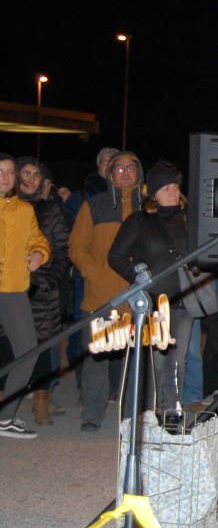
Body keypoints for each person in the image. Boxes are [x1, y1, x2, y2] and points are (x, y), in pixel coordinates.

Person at [107, 161, 195, 416]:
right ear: (153, 193)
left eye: (175, 186)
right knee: (158, 359)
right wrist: (138, 278)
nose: (172, 191)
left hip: (184, 301)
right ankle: (153, 411)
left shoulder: (189, 220)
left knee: (179, 361)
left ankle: (171, 410)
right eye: (166, 187)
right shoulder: (139, 221)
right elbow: (116, 257)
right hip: (154, 302)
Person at [69, 150, 143, 431]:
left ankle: (133, 414)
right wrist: (94, 272)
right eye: (118, 168)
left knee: (136, 357)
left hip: (138, 295)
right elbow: (77, 247)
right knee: (97, 357)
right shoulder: (94, 205)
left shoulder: (147, 207)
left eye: (130, 167)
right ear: (110, 174)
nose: (124, 172)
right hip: (101, 295)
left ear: (139, 173)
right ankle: (92, 413)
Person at [0, 154, 51, 439]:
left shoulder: (23, 210)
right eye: (0, 172)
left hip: (13, 290)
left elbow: (39, 240)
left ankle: (5, 417)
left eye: (9, 172)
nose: (5, 177)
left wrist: (38, 254)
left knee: (28, 351)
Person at [17, 157, 71, 426]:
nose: (30, 179)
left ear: (42, 181)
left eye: (35, 175)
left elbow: (62, 250)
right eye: (25, 173)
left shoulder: (51, 210)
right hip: (9, 288)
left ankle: (41, 401)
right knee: (8, 348)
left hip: (41, 290)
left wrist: (49, 279)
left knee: (41, 348)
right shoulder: (6, 206)